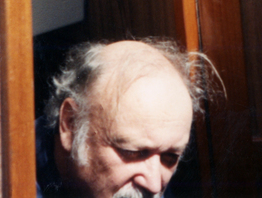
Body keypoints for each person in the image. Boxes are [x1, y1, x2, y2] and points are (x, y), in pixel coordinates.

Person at [36, 38, 217, 198]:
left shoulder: (147, 175)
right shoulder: (20, 180)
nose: (154, 186)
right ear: (71, 124)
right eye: (132, 153)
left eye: (170, 158)